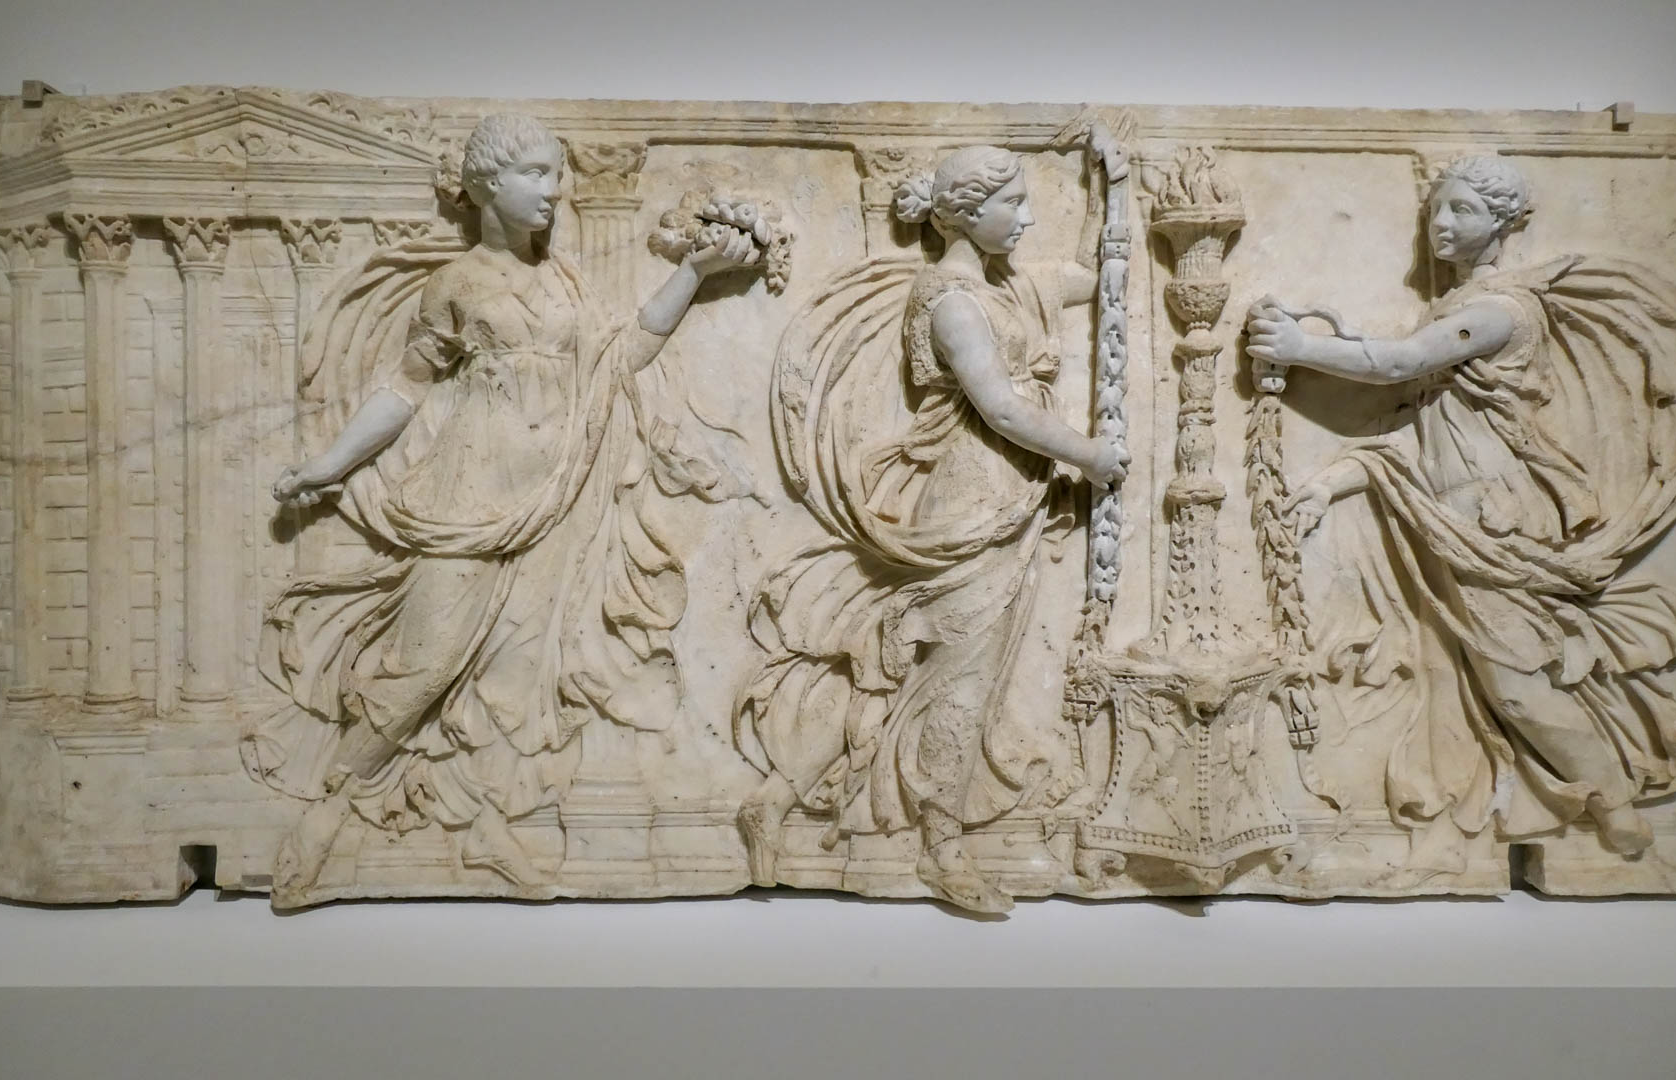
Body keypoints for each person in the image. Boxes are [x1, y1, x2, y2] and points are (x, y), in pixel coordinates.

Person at [247, 114, 757, 906]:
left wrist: (693, 273)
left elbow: (623, 354)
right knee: (424, 664)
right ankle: (327, 811)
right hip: (469, 499)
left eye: (557, 173)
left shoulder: (567, 281)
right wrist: (329, 464)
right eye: (534, 173)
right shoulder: (456, 284)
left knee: (517, 678)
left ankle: (487, 827)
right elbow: (404, 389)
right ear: (487, 184)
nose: (554, 190)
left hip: (557, 499)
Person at [1245, 155, 1676, 872]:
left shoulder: (1499, 312)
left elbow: (1399, 363)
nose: (1442, 224)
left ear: (1505, 224)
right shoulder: (1452, 309)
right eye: (1437, 209)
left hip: (1496, 520)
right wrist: (1330, 483)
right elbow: (1418, 433)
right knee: (1490, 679)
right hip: (1445, 514)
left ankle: (1614, 799)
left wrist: (1302, 348)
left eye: (1464, 210)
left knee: (1514, 685)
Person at [735, 140, 1128, 912]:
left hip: (1009, 499)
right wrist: (1089, 455)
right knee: (955, 678)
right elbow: (1000, 408)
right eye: (1011, 204)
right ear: (966, 214)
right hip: (971, 502)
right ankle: (940, 847)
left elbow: (1089, 278)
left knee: (930, 673)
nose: (1027, 217)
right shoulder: (950, 301)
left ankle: (778, 799)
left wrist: (1109, 188)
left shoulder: (1005, 284)